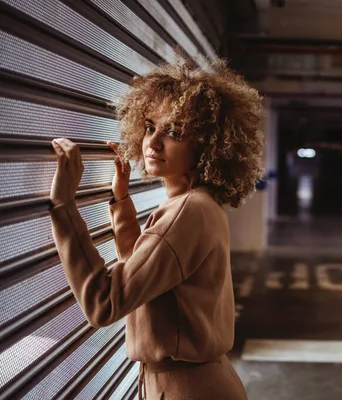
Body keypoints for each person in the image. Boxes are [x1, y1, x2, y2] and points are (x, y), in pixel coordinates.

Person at [48, 59, 264, 399]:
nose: (153, 142)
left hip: (187, 389)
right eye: (150, 127)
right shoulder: (199, 205)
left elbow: (104, 302)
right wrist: (121, 203)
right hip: (191, 383)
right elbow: (146, 273)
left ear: (206, 145)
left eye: (174, 132)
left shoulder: (188, 212)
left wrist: (63, 207)